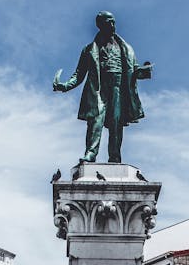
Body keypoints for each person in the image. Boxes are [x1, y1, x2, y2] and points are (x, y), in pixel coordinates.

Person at [52, 11, 154, 164]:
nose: (112, 26)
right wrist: (65, 86)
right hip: (98, 88)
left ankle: (115, 156)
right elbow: (79, 74)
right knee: (95, 121)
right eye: (108, 23)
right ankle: (90, 153)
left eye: (113, 22)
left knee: (116, 122)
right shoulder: (89, 49)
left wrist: (143, 72)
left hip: (118, 87)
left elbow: (132, 71)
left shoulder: (125, 48)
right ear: (100, 26)